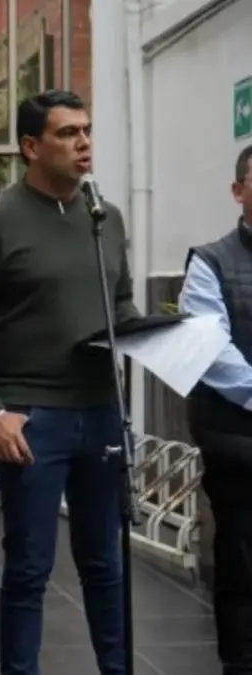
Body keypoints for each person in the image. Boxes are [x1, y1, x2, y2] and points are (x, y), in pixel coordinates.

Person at [0, 89, 138, 675]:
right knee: (29, 568)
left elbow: (121, 304)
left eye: (86, 130)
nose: (83, 143)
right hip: (31, 417)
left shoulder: (106, 218)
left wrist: (163, 334)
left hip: (100, 410)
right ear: (31, 147)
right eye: (67, 133)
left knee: (105, 562)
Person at [180, 144, 252, 675]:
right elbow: (210, 351)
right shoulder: (209, 261)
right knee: (244, 565)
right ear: (238, 191)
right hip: (239, 439)